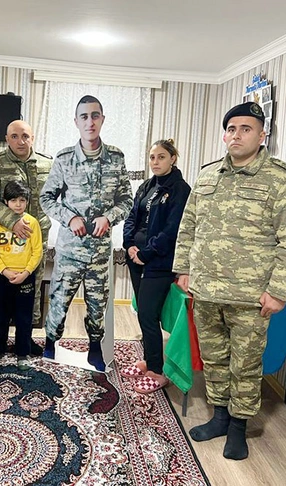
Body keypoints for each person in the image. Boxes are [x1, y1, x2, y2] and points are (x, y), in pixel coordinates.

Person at [173, 101, 286, 460]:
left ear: (262, 135)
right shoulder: (208, 176)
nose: (236, 135)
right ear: (225, 135)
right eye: (231, 129)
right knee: (215, 359)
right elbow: (189, 226)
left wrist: (279, 292)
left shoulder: (281, 180)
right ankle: (220, 417)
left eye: (246, 129)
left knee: (246, 365)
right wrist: (183, 269)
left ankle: (238, 428)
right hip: (206, 290)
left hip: (251, 296)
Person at [40, 95, 132, 371]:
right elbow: (46, 198)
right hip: (70, 249)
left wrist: (109, 218)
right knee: (59, 301)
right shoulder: (64, 159)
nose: (89, 122)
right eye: (84, 116)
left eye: (95, 116)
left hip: (99, 252)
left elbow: (126, 200)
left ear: (102, 119)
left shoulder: (116, 158)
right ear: (76, 122)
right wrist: (69, 218)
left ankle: (94, 347)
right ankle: (50, 344)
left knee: (97, 304)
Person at [122, 138, 191, 393]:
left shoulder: (180, 189)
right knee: (143, 312)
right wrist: (129, 244)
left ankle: (157, 372)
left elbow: (172, 230)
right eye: (152, 157)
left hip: (158, 263)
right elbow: (132, 217)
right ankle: (149, 360)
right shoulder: (147, 186)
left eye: (161, 157)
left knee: (149, 315)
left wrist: (147, 253)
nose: (155, 162)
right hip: (136, 258)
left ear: (173, 158)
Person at [0, 119, 53, 356]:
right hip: (5, 240)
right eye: (14, 136)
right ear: (6, 139)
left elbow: (56, 197)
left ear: (32, 138)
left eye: (25, 136)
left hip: (35, 240)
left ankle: (25, 339)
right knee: (1, 292)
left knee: (32, 291)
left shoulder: (47, 163)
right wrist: (13, 221)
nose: (20, 141)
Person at [0, 181, 42, 370]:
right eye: (14, 200)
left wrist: (26, 273)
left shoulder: (32, 223)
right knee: (1, 316)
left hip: (25, 277)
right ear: (5, 202)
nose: (18, 204)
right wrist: (5, 271)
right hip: (3, 276)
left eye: (22, 200)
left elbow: (37, 252)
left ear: (27, 202)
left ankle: (22, 353)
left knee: (24, 318)